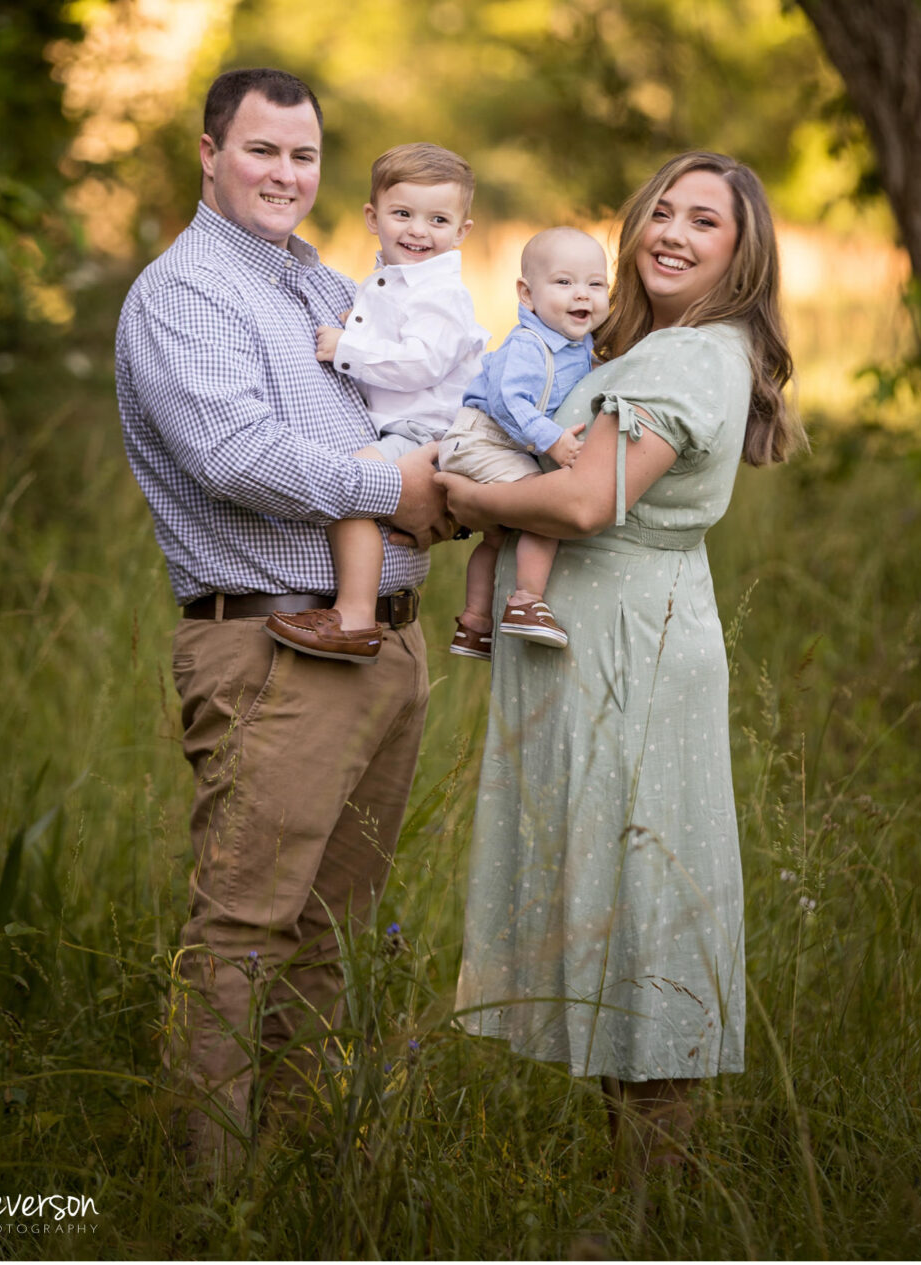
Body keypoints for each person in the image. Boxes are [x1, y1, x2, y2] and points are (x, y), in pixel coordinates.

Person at [112, 67, 455, 1175]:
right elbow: (234, 458)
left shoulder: (319, 283)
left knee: (332, 936)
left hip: (380, 641)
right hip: (272, 649)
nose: (284, 174)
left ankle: (300, 1182)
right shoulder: (186, 293)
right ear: (208, 152)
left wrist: (446, 489)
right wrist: (395, 491)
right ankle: (213, 1205)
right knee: (245, 929)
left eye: (303, 156)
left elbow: (396, 416)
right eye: (262, 151)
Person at [439, 152, 801, 1185]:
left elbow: (586, 503)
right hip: (613, 640)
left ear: (742, 253)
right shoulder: (663, 346)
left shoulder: (684, 362)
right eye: (663, 212)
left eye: (706, 222)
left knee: (646, 900)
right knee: (618, 894)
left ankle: (648, 1212)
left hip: (632, 654)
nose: (674, 234)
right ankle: (637, 1193)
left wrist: (455, 497)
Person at [265, 142, 488, 660]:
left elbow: (421, 364)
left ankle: (355, 616)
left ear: (462, 232)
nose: (418, 230)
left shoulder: (442, 294)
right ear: (373, 216)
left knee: (353, 486)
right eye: (403, 214)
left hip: (426, 430)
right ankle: (360, 609)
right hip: (404, 427)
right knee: (361, 488)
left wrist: (349, 349)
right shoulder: (389, 284)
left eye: (438, 220)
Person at [441, 226, 611, 657]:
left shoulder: (578, 345)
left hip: (497, 447)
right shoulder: (530, 344)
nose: (582, 296)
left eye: (596, 284)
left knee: (497, 539)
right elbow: (506, 401)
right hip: (483, 440)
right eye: (564, 282)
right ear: (527, 293)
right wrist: (550, 439)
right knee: (545, 510)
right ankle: (526, 603)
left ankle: (475, 623)